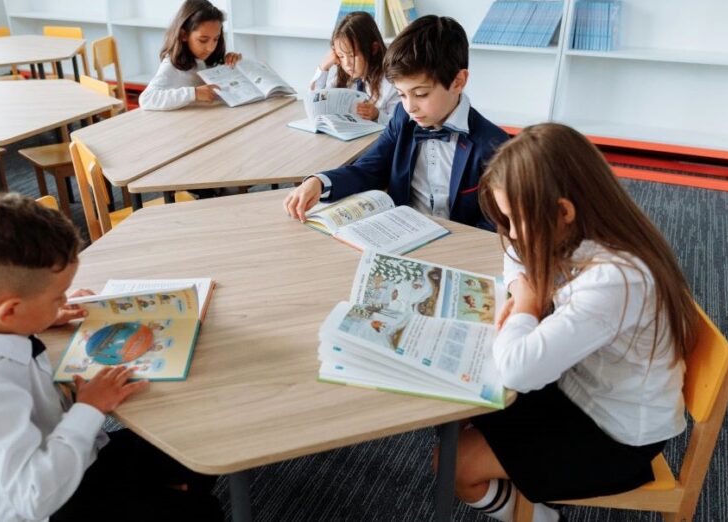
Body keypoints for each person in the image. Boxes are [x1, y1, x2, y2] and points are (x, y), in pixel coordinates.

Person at [443, 123, 699, 521]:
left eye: (515, 220)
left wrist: (526, 301)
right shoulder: (584, 229)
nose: (511, 234)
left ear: (563, 211)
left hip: (617, 435)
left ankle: (543, 517)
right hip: (582, 389)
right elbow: (515, 253)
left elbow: (518, 370)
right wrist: (521, 283)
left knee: (454, 464)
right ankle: (532, 489)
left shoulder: (614, 278)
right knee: (457, 398)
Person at [0, 193, 222, 521]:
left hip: (74, 449)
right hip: (54, 503)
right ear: (10, 310)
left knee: (201, 447)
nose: (64, 299)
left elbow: (3, 315)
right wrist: (90, 408)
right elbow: (34, 498)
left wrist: (44, 316)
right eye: (57, 296)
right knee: (201, 512)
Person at [284, 15, 508, 230]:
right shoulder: (403, 118)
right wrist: (321, 182)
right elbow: (369, 169)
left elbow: (495, 224)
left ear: (458, 81)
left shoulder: (494, 145)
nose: (410, 107)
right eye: (401, 94)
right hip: (400, 234)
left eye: (420, 94)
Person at [139, 0, 241, 110]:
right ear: (184, 35)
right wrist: (194, 93)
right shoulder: (172, 66)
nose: (211, 48)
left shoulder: (209, 59)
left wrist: (234, 64)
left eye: (215, 39)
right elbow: (146, 99)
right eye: (203, 40)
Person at [310, 11, 399, 124]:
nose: (347, 63)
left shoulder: (392, 82)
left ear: (373, 49)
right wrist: (324, 68)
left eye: (352, 55)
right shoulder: (344, 78)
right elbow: (316, 103)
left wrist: (377, 115)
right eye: (341, 56)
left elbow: (401, 124)